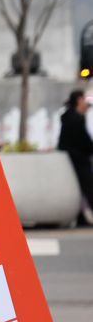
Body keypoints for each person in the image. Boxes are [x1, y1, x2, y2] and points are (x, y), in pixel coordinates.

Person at [58, 89, 93, 225]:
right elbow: (83, 140)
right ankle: (81, 217)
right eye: (84, 99)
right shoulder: (75, 119)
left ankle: (80, 217)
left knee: (80, 188)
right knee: (88, 187)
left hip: (74, 157)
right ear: (79, 100)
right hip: (78, 158)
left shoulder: (70, 117)